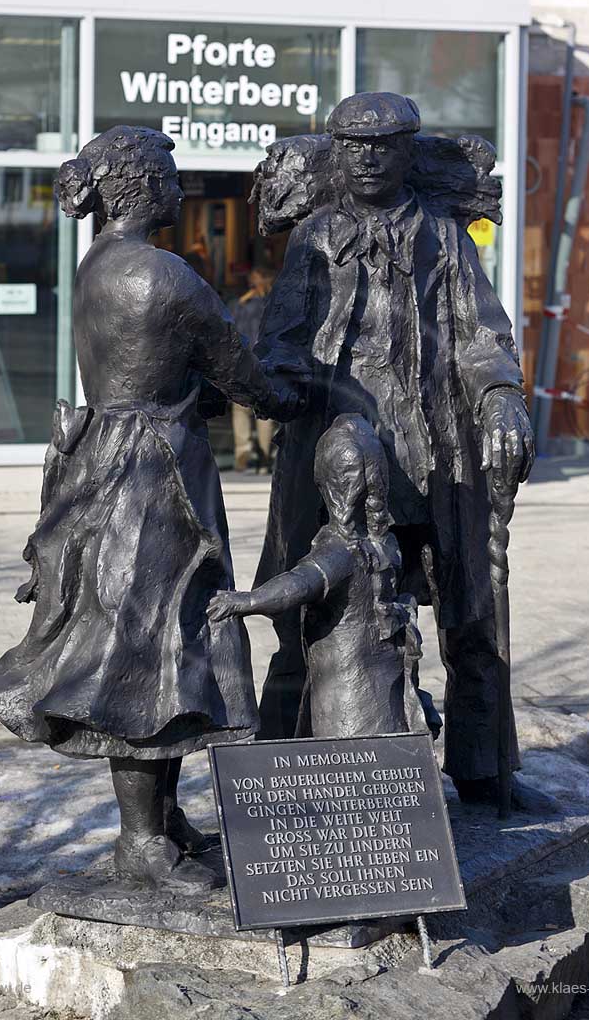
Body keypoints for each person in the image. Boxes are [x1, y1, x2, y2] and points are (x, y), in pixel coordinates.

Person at [0, 125, 300, 892]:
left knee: (172, 645)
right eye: (167, 174)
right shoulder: (161, 275)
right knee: (142, 653)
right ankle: (141, 842)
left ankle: (166, 817)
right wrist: (299, 397)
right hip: (151, 482)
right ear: (132, 185)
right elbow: (241, 370)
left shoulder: (98, 265)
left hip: (119, 467)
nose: (179, 189)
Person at [253, 92, 543, 810]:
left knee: (471, 609)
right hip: (334, 452)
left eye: (382, 145)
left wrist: (500, 393)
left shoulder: (446, 238)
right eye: (353, 145)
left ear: (407, 151)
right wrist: (274, 384)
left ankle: (481, 770)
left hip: (433, 449)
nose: (367, 156)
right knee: (302, 616)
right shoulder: (314, 237)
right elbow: (282, 339)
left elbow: (481, 336)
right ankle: (277, 771)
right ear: (338, 152)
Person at [208, 414, 437, 740]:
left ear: (327, 485)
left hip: (347, 693)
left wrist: (246, 601)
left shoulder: (337, 552)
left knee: (351, 767)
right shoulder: (385, 543)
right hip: (386, 681)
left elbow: (299, 584)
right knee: (383, 759)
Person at [230, 266, 277, 471]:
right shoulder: (274, 303)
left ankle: (244, 452)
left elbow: (230, 329)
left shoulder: (242, 304)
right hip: (267, 361)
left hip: (243, 361)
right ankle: (265, 454)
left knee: (241, 409)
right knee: (264, 409)